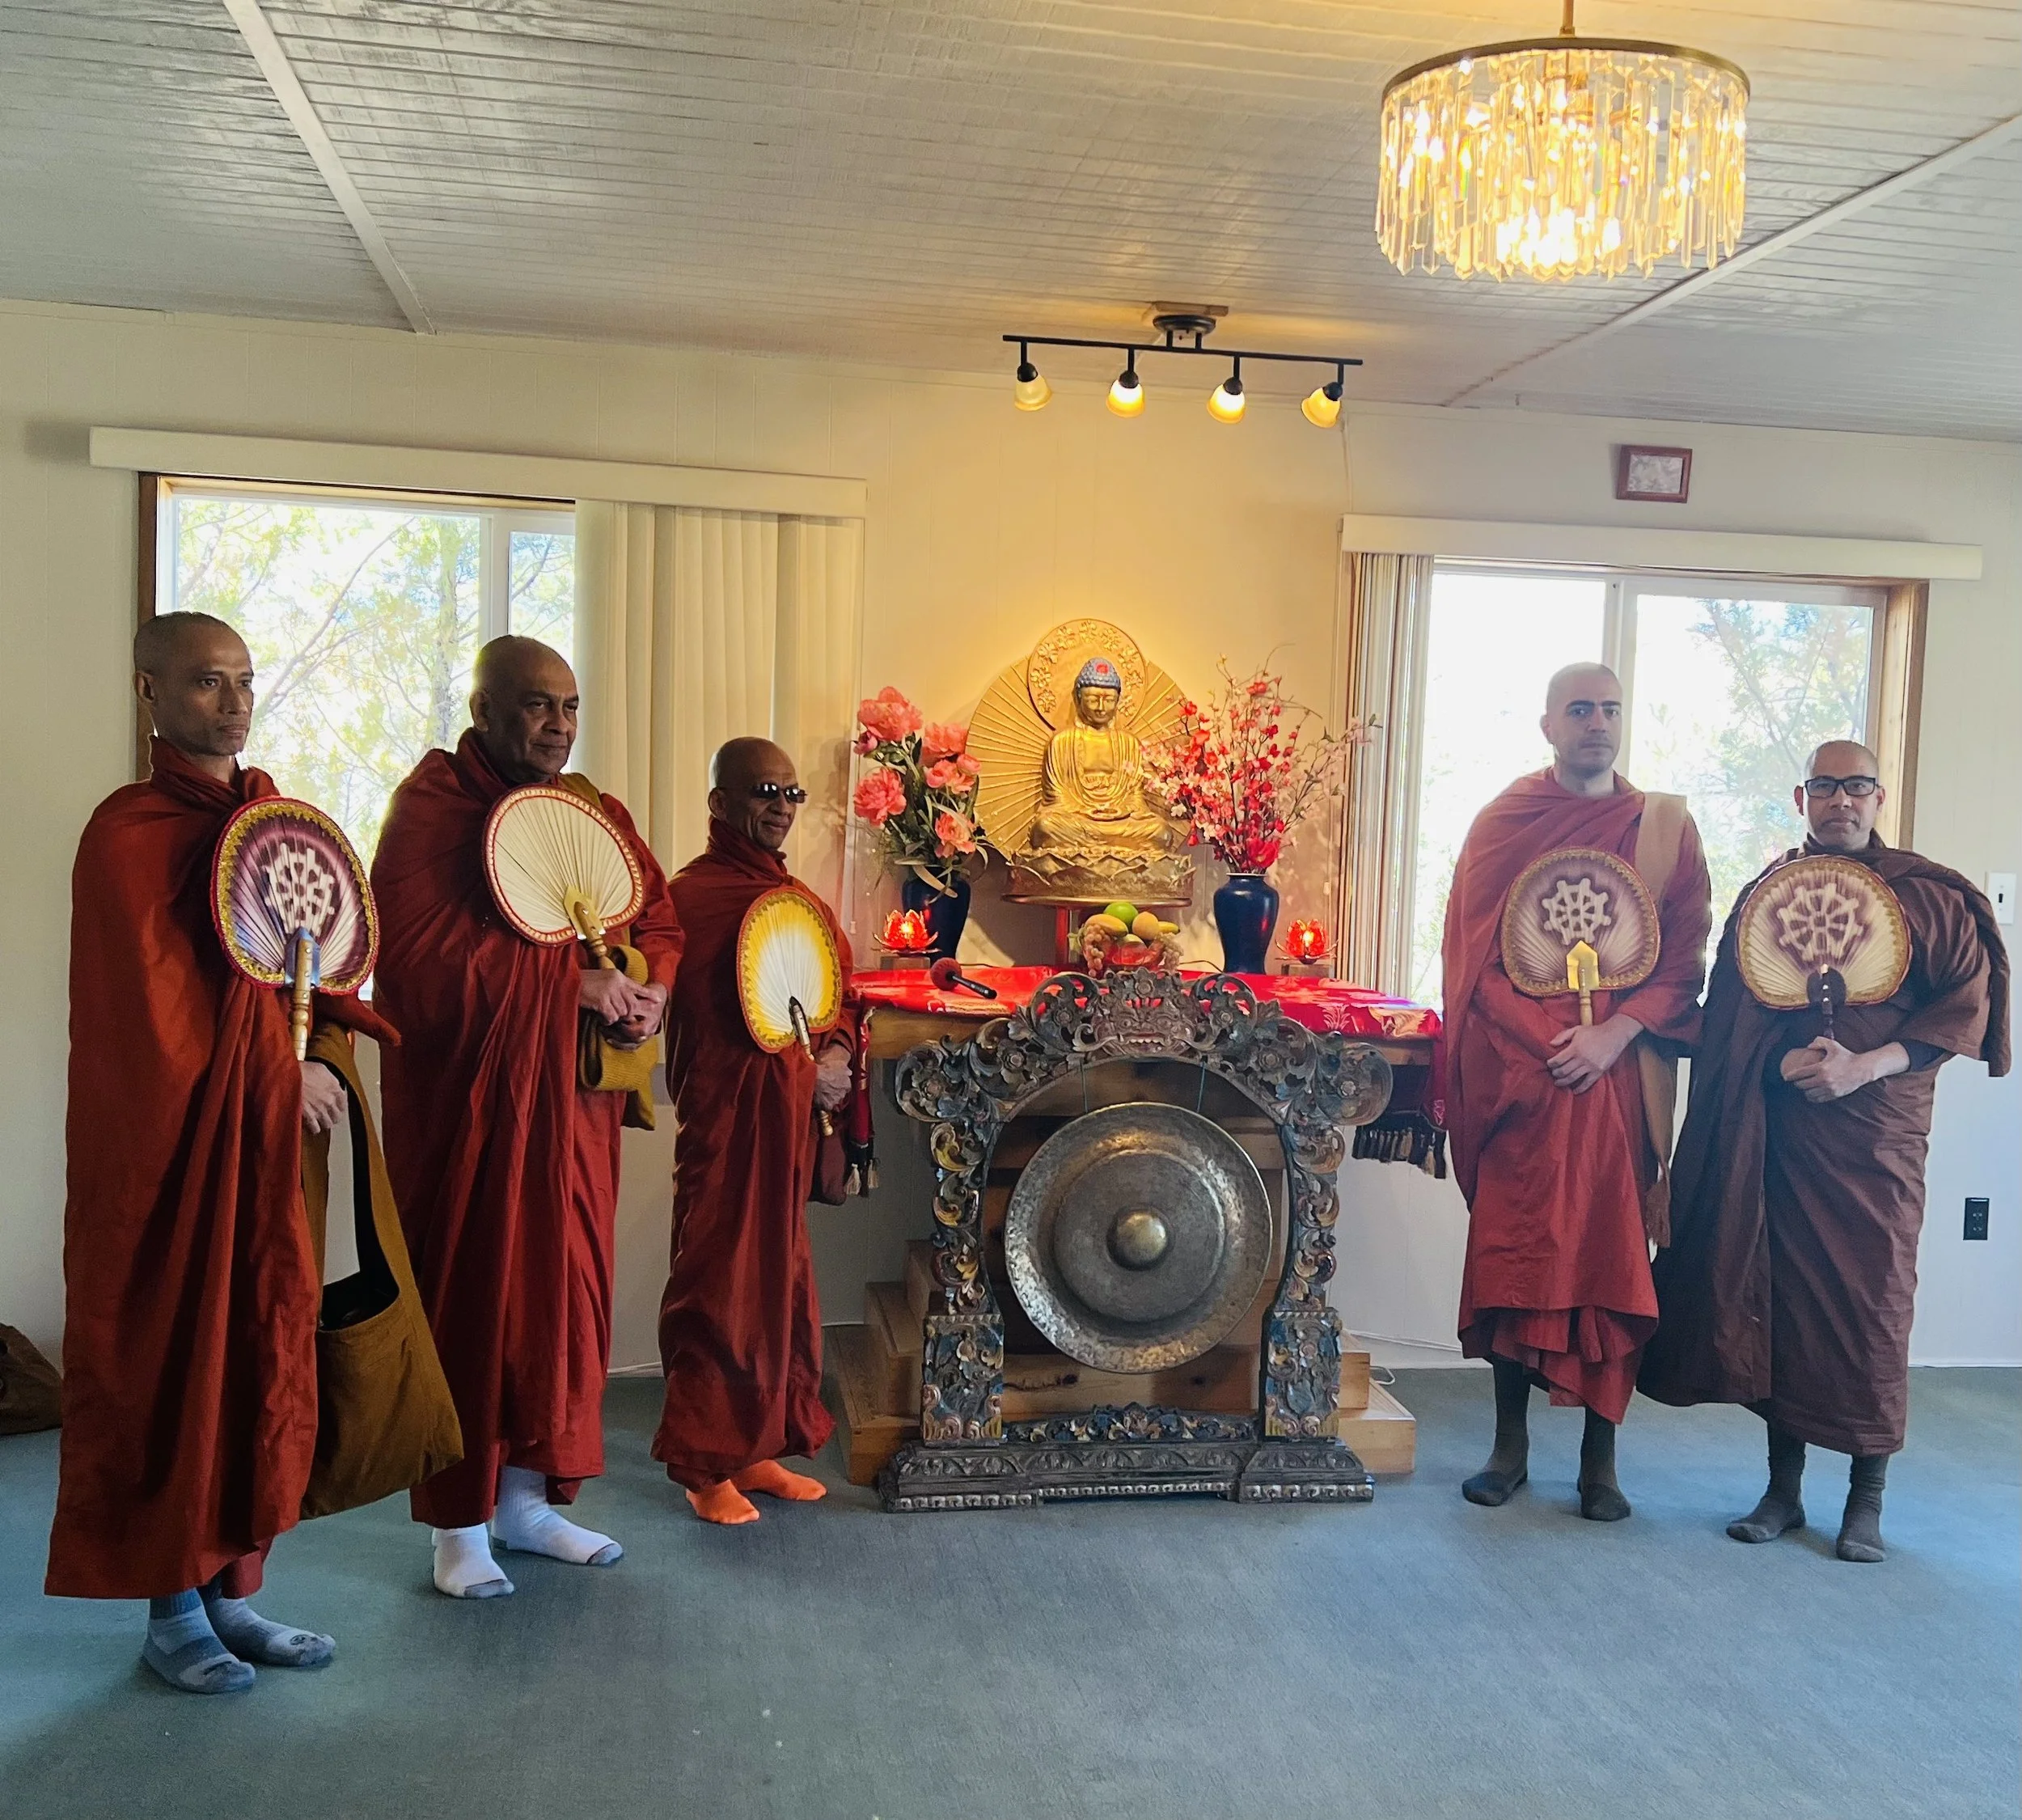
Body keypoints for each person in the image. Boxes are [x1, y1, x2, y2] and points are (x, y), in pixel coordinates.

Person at [49, 612, 384, 1693]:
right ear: (148, 692)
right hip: (165, 1160)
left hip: (258, 1148)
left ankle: (230, 1593)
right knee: (170, 1354)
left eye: (243, 679)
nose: (234, 701)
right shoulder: (128, 832)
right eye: (205, 681)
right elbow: (148, 1021)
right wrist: (275, 1070)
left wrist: (323, 1045)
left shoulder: (271, 821)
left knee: (258, 1346)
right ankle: (168, 1609)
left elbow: (310, 966)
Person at [1640, 740, 2009, 1560]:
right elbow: (1728, 1014)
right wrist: (1781, 1062)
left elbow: (1963, 1006)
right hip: (1781, 1133)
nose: (1838, 801)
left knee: (1873, 1302)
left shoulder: (1927, 895)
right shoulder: (1767, 897)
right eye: (1822, 788)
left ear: (1879, 797)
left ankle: (1866, 1499)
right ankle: (1782, 1490)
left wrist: (1865, 1067)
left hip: (1875, 1133)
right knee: (1780, 1299)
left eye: (1855, 787)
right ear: (1801, 798)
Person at [373, 636, 683, 1598]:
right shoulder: (433, 810)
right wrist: (569, 985)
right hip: (474, 1116)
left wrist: (642, 988)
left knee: (562, 1302)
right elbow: (419, 967)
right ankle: (457, 1530)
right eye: (537, 705)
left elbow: (656, 922)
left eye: (570, 706)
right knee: (476, 1301)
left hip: (570, 1116)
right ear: (482, 709)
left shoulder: (589, 814)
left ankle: (524, 1503)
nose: (557, 724)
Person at [1440, 662, 1712, 1520]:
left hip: (1619, 1082)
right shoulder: (1505, 822)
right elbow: (1475, 960)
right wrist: (1550, 1045)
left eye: (1611, 709)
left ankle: (1601, 1462)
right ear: (1548, 724)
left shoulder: (1663, 827)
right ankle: (1508, 1446)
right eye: (1580, 709)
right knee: (1514, 1257)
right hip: (1527, 1080)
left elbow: (1681, 960)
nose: (1598, 722)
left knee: (1609, 1257)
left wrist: (1612, 1036)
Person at [653, 738, 857, 1524]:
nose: (779, 806)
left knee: (781, 1286)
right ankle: (703, 1467)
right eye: (763, 790)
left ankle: (756, 1445)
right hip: (724, 1130)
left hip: (786, 1133)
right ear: (719, 804)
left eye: (791, 794)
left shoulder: (797, 900)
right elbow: (697, 1025)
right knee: (716, 1287)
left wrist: (832, 1054)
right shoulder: (687, 900)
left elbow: (835, 997)